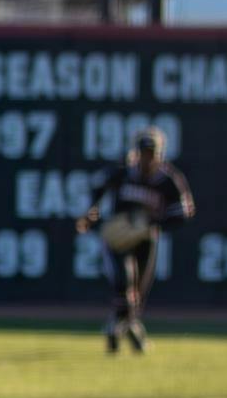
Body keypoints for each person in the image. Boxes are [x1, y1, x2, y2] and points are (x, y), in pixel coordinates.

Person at [74, 127, 194, 354]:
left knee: (137, 292)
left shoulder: (168, 180)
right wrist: (90, 216)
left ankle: (126, 327)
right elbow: (96, 191)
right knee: (123, 284)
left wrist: (153, 225)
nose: (148, 158)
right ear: (137, 152)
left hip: (145, 239)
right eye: (144, 152)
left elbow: (183, 213)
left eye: (152, 153)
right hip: (118, 237)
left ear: (160, 153)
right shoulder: (122, 172)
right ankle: (120, 328)